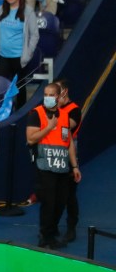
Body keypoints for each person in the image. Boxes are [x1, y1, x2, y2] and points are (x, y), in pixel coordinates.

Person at [26, 82, 81, 249]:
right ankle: (46, 236)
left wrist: (75, 166)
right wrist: (49, 127)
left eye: (51, 95)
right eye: (46, 94)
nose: (48, 98)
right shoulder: (36, 113)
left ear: (59, 97)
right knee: (48, 202)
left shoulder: (65, 115)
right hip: (45, 166)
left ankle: (51, 231)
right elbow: (31, 139)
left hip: (62, 166)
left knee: (61, 201)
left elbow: (69, 142)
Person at [0, 0, 39, 108]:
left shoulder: (28, 11)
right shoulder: (2, 9)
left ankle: (20, 113)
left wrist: (28, 54)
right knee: (2, 87)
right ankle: (3, 113)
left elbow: (35, 35)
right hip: (2, 56)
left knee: (20, 88)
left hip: (19, 56)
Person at [56, 78, 82, 243]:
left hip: (68, 152)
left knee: (70, 194)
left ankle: (71, 227)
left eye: (57, 91)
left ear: (64, 92)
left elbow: (65, 127)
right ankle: (51, 227)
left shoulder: (74, 110)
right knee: (53, 192)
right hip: (53, 153)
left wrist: (55, 111)